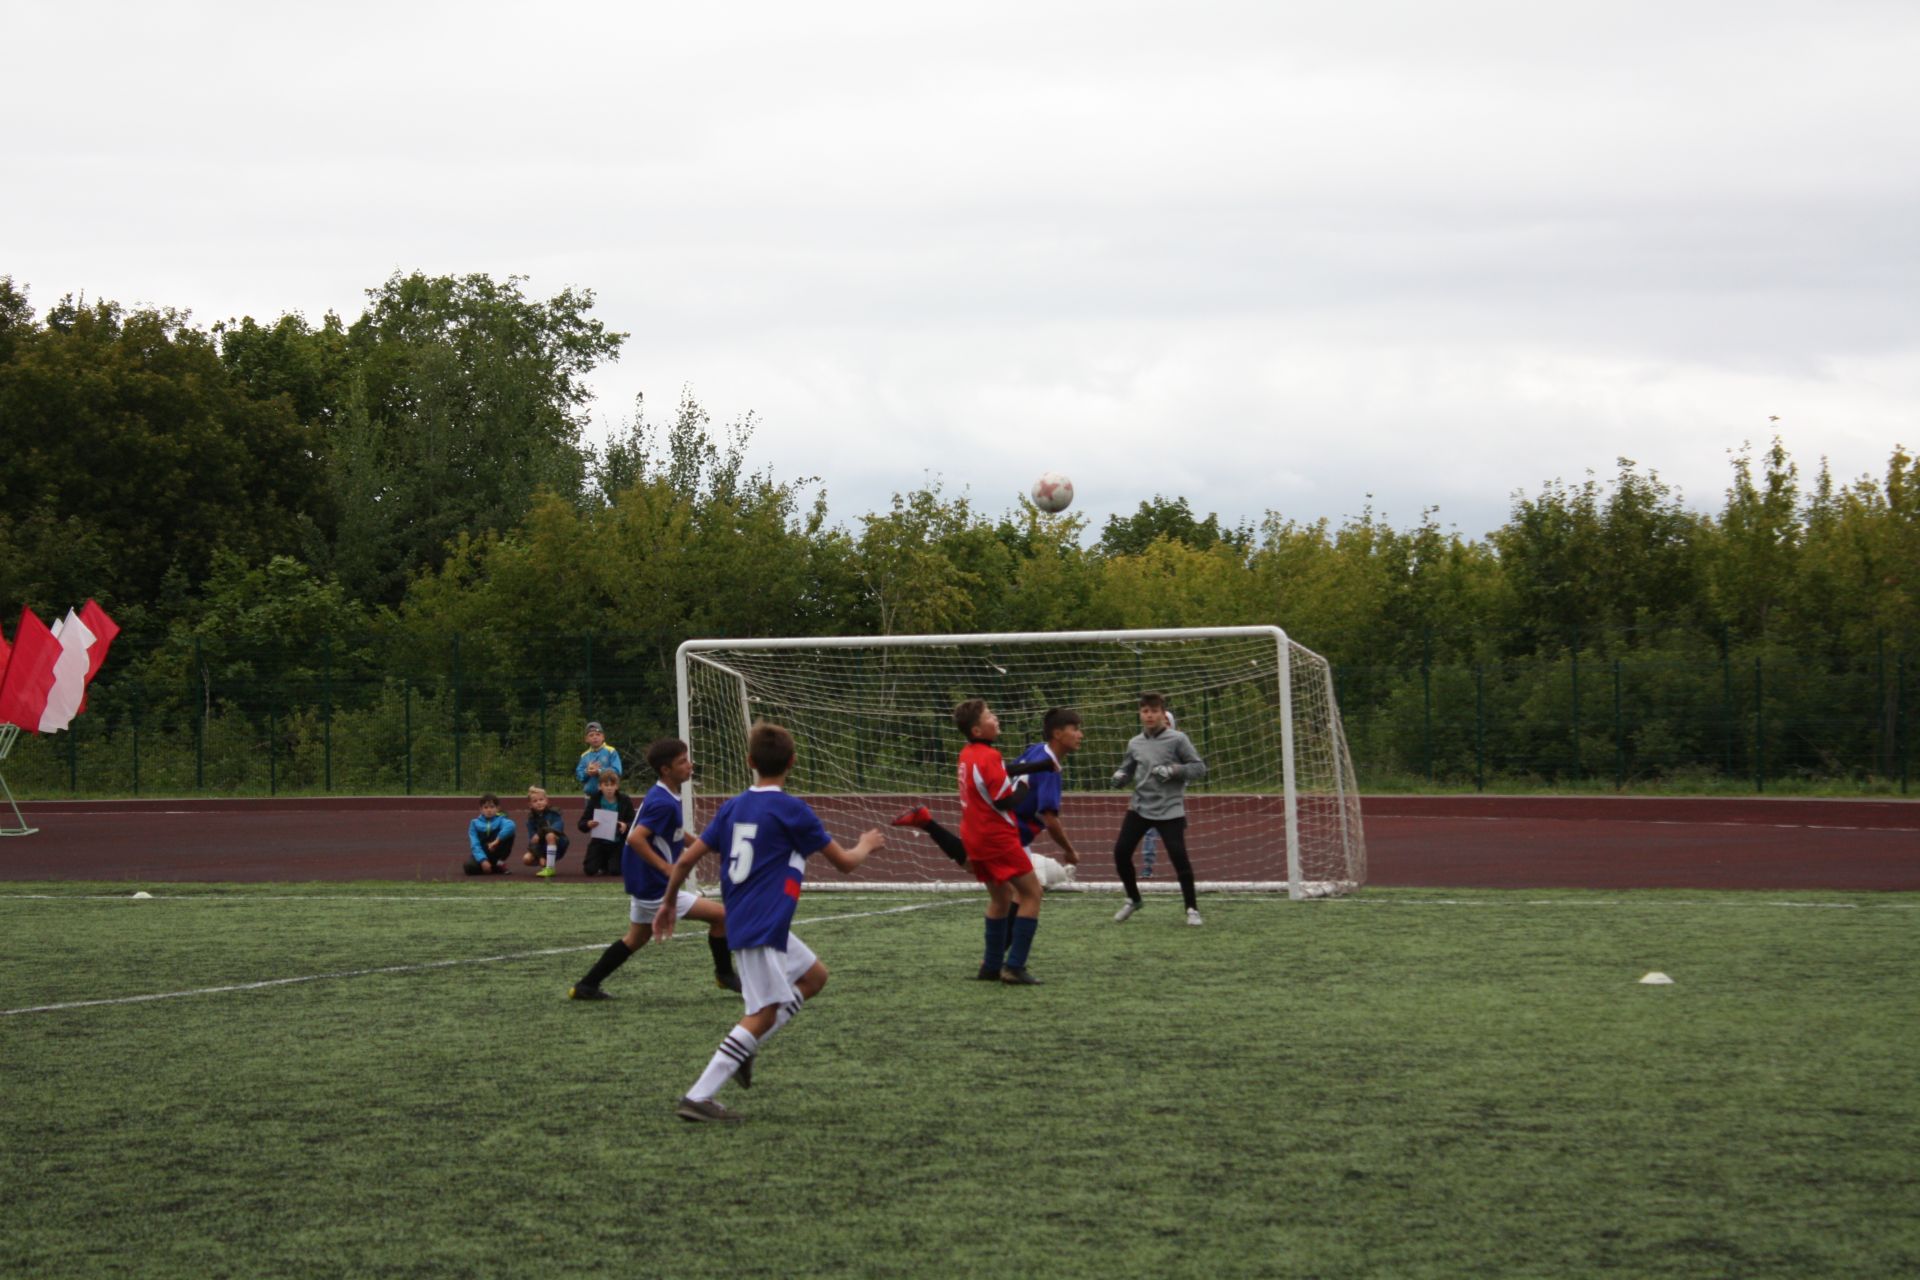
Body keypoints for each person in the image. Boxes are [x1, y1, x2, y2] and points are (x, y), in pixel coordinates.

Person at [653, 721, 884, 1122]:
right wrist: (865, 843)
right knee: (762, 1012)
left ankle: (745, 1048)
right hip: (759, 925)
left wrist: (669, 902)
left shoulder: (733, 806)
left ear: (749, 762)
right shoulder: (793, 809)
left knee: (814, 977)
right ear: (793, 762)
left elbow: (687, 859)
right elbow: (845, 863)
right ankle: (699, 1095)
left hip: (758, 921)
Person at [569, 738, 740, 999]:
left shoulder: (664, 794)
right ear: (666, 770)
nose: (689, 765)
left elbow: (676, 833)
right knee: (722, 916)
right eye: (682, 761)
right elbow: (635, 838)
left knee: (635, 939)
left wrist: (707, 848)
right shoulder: (663, 802)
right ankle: (724, 975)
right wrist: (666, 868)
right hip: (653, 884)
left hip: (643, 879)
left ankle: (586, 985)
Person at [893, 706, 1082, 892]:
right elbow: (1050, 819)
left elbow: (1004, 770)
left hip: (999, 823)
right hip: (1010, 832)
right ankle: (926, 822)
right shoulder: (1049, 772)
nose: (1080, 735)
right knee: (1029, 894)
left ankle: (926, 822)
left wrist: (1036, 769)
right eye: (1075, 729)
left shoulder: (1037, 750)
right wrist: (1069, 850)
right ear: (1057, 734)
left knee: (984, 874)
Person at [1110, 693, 1208, 925]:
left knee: (1179, 857)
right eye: (1145, 711)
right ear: (1140, 714)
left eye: (1154, 711)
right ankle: (1133, 899)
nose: (1149, 715)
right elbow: (1128, 769)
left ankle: (1192, 909)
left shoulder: (1178, 739)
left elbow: (1199, 768)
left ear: (1163, 715)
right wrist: (1120, 777)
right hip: (1139, 806)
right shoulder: (1135, 743)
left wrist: (1174, 770)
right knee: (1120, 852)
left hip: (1169, 808)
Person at [576, 768, 634, 876]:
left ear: (617, 786)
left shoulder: (624, 800)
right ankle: (602, 862)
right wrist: (588, 824)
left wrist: (625, 825)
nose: (609, 788)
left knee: (615, 871)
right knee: (589, 870)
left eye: (612, 785)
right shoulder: (595, 800)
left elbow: (634, 822)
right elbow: (581, 824)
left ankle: (613, 862)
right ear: (600, 786)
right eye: (606, 785)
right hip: (599, 842)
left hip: (617, 842)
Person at [520, 786, 571, 877]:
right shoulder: (530, 820)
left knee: (550, 835)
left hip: (559, 844)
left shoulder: (555, 814)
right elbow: (533, 842)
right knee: (526, 859)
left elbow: (557, 829)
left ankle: (550, 868)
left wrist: (539, 834)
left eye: (541, 799)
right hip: (542, 846)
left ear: (546, 800)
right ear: (530, 805)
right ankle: (545, 863)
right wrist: (540, 857)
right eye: (535, 801)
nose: (539, 803)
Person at [462, 794, 516, 875]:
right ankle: (493, 867)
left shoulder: (501, 820)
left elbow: (511, 825)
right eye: (486, 807)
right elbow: (475, 844)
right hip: (483, 852)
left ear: (497, 808)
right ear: (481, 809)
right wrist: (483, 860)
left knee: (510, 833)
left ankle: (499, 863)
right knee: (468, 867)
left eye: (492, 807)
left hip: (496, 850)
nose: (489, 810)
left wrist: (496, 841)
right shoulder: (474, 823)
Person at [574, 721, 622, 798]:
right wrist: (587, 772)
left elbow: (617, 771)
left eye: (598, 734)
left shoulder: (611, 751)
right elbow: (579, 774)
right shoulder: (584, 755)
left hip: (608, 796)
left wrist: (599, 771)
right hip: (590, 796)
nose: (595, 737)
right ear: (586, 739)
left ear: (603, 737)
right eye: (591, 735)